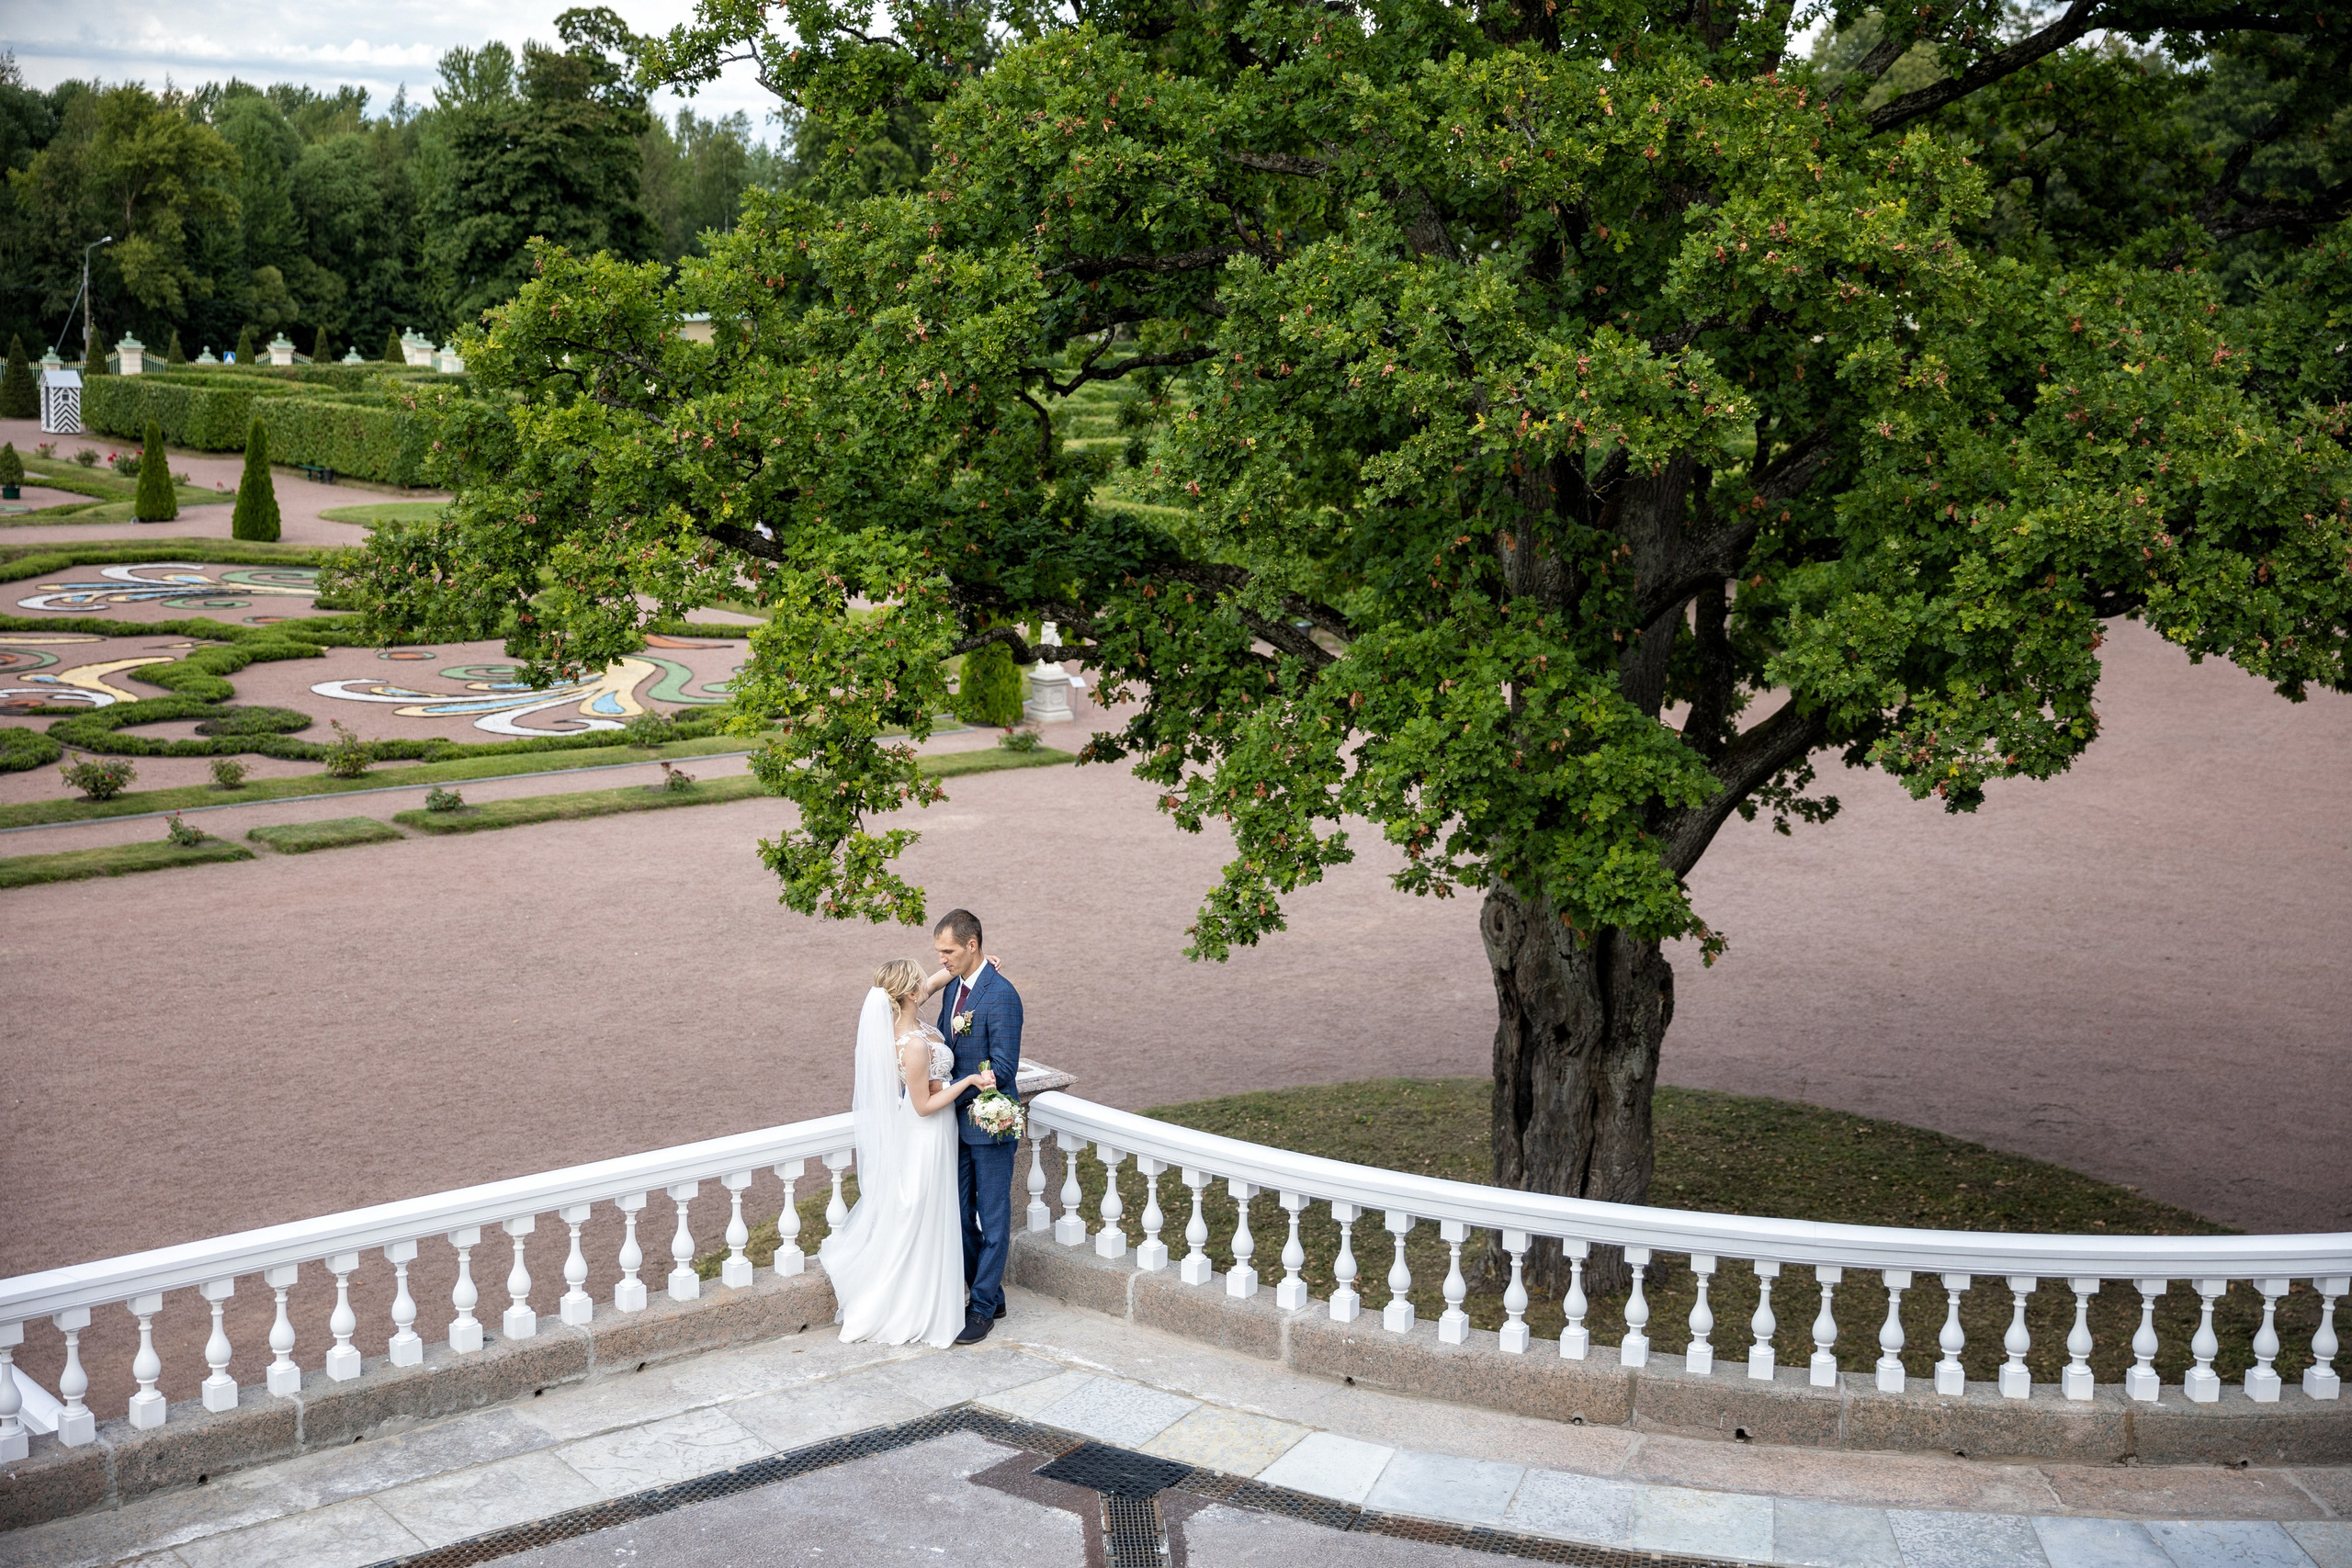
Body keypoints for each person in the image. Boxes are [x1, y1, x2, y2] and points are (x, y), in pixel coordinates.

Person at [818, 958, 993, 1348]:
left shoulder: (908, 1014)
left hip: (937, 1132)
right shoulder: (911, 1044)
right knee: (922, 1210)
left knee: (934, 1210)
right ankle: (910, 1304)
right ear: (910, 994)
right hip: (925, 1134)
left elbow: (939, 977)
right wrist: (967, 1080)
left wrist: (977, 962)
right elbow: (923, 1105)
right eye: (921, 982)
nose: (927, 984)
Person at [933, 908, 1023, 1345]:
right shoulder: (954, 989)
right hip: (955, 1124)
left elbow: (1003, 1067)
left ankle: (983, 1307)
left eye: (948, 951)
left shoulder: (1001, 994)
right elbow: (946, 1043)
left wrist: (955, 1089)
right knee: (959, 1215)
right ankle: (993, 1293)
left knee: (992, 1216)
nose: (942, 959)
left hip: (989, 1122)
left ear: (972, 945)